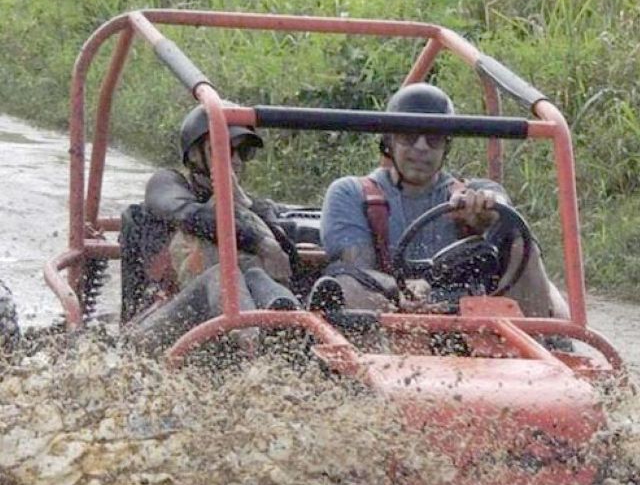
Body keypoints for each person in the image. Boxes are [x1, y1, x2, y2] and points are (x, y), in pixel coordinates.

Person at [319, 83, 569, 318]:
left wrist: (487, 217)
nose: (421, 147)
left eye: (433, 138)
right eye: (409, 135)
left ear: (446, 146)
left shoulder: (476, 191)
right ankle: (373, 360)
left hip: (469, 318)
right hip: (388, 314)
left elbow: (499, 204)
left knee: (522, 243)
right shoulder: (351, 193)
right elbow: (356, 269)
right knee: (344, 282)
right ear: (389, 141)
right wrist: (402, 288)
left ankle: (541, 342)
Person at [125, 104, 300, 353]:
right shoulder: (168, 186)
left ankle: (293, 327)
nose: (236, 161)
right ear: (196, 154)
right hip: (159, 322)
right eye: (226, 149)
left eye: (244, 152)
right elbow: (190, 217)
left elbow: (286, 261)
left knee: (255, 274)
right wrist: (260, 241)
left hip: (228, 319)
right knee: (223, 274)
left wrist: (244, 203)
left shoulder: (251, 206)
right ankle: (255, 353)